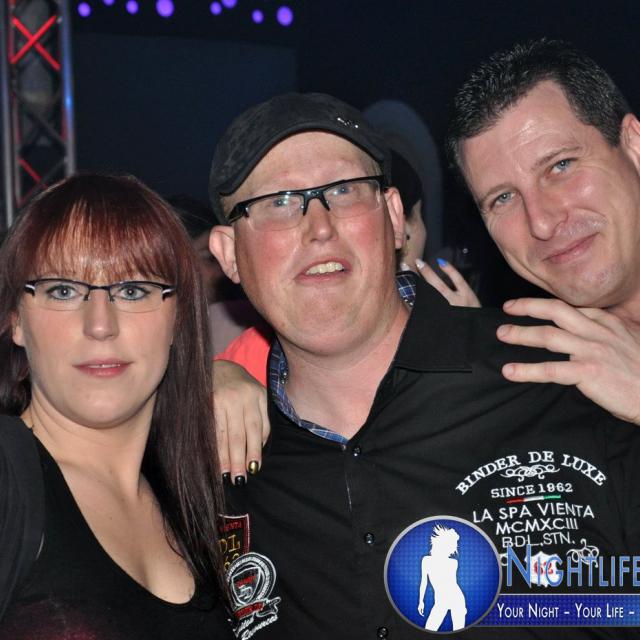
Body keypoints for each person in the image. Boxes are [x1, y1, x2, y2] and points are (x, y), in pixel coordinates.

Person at [208, 92, 640, 638]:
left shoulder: (567, 375)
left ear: (394, 218)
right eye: (279, 201)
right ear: (228, 254)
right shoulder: (205, 466)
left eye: (344, 191)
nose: (319, 227)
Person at [0, 174, 233, 638]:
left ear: (178, 318)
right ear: (17, 321)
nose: (101, 325)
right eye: (63, 290)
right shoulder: (7, 477)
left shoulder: (203, 495)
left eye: (133, 290)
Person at [446, 38, 640, 426]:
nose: (541, 223)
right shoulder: (522, 388)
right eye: (502, 198)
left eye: (560, 166)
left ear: (634, 145)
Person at [417, 525, 466, 632]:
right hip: (440, 601)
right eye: (453, 545)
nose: (454, 549)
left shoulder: (453, 563)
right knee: (429, 629)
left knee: (459, 632)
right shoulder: (426, 560)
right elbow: (423, 582)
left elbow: (452, 584)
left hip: (456, 599)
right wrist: (421, 601)